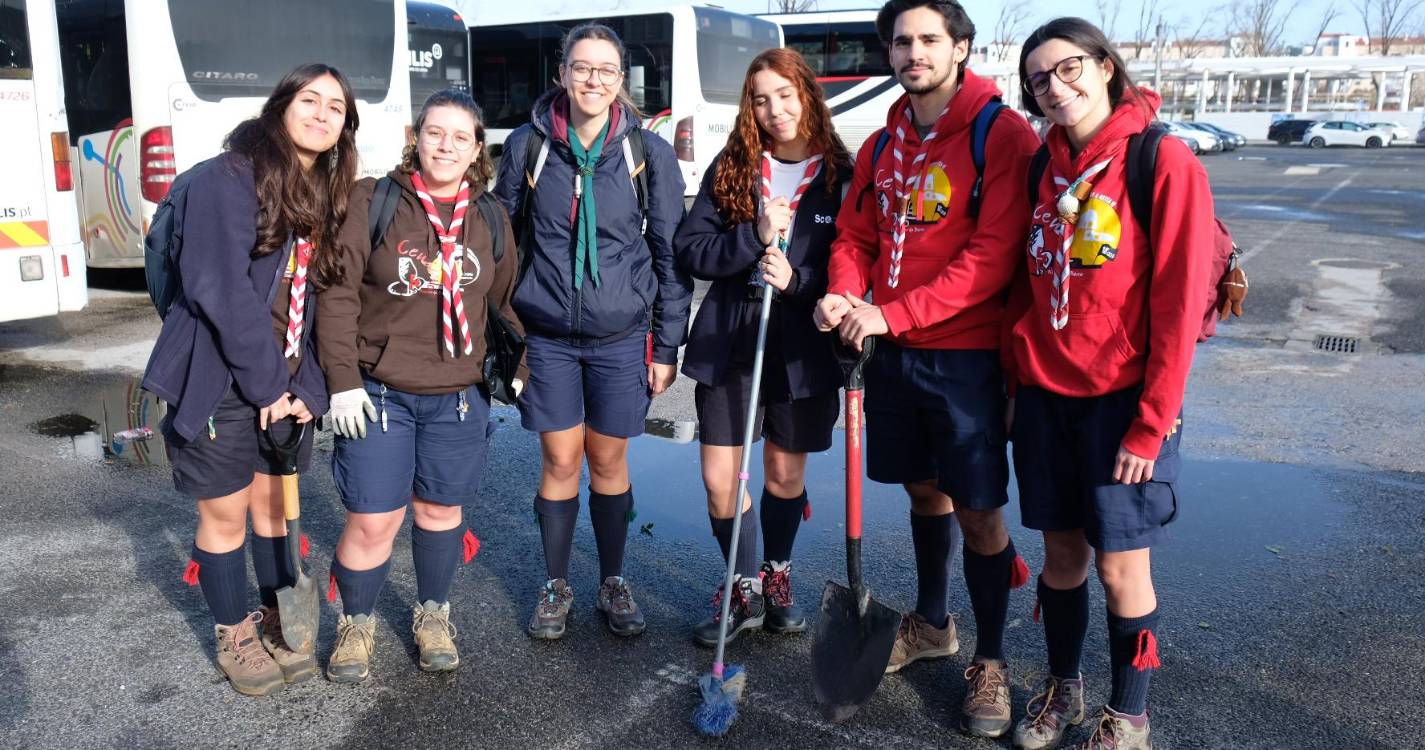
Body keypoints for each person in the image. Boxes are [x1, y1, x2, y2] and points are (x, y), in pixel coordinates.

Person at [812, 0, 1040, 737]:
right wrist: (846, 291)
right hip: (894, 352)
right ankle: (934, 623)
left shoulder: (998, 132)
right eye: (900, 42)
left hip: (966, 356)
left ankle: (993, 659)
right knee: (923, 490)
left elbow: (991, 257)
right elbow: (855, 232)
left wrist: (889, 313)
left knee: (977, 508)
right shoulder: (882, 142)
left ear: (960, 47)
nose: (912, 53)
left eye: (927, 40)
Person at [1006, 17, 1212, 750]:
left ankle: (1128, 716)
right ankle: (1063, 685)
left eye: (1067, 69)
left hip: (1122, 404)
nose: (1054, 88)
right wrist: (1014, 383)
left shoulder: (1160, 160)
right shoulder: (1042, 165)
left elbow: (1180, 304)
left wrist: (1151, 423)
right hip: (1043, 398)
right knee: (1061, 557)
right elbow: (1023, 289)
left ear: (1102, 65)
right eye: (1038, 79)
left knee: (1121, 566)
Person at [141, 63, 356, 696]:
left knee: (272, 508)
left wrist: (308, 389)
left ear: (346, 126)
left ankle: (271, 613)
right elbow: (219, 290)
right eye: (309, 100)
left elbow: (321, 302)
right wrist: (268, 388)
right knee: (227, 513)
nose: (321, 114)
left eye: (335, 107)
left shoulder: (327, 192)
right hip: (221, 379)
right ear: (281, 105)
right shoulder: (228, 178)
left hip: (287, 382)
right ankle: (234, 630)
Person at [493, 23, 691, 640]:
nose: (594, 80)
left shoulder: (646, 152)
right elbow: (501, 241)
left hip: (621, 337)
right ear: (562, 74)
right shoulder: (529, 146)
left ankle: (612, 578)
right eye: (583, 68)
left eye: (607, 70)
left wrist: (667, 343)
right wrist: (505, 333)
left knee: (608, 460)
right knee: (560, 458)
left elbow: (669, 255)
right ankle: (555, 584)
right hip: (547, 336)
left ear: (621, 80)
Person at [318, 89, 523, 682]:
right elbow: (335, 296)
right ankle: (357, 623)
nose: (447, 146)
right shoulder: (373, 201)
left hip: (459, 397)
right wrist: (341, 382)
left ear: (477, 148)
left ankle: (434, 613)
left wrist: (517, 368)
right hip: (379, 393)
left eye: (461, 137)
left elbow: (503, 301)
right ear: (416, 135)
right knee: (373, 519)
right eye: (436, 133)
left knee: (439, 512)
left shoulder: (489, 216)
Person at [674, 48, 851, 647]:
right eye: (759, 98)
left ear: (807, 95)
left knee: (781, 474)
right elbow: (691, 249)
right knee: (721, 479)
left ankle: (775, 576)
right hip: (731, 341)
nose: (774, 109)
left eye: (784, 94)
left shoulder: (840, 176)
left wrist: (798, 282)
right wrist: (754, 236)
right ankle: (741, 587)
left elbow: (854, 271)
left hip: (801, 350)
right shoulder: (734, 167)